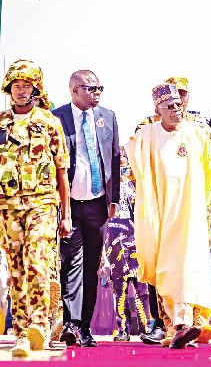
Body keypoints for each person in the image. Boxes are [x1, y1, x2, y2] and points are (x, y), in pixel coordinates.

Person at [126, 83, 211, 349]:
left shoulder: (197, 133)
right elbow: (133, 166)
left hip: (190, 214)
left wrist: (210, 210)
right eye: (169, 107)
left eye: (179, 106)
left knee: (188, 267)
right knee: (164, 267)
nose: (176, 110)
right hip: (160, 212)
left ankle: (183, 323)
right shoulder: (146, 135)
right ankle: (173, 326)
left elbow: (210, 173)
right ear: (157, 109)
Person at [0, 60, 72, 356]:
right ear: (9, 88)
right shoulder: (1, 122)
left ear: (35, 89)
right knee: (16, 269)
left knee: (37, 260)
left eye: (26, 85)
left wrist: (65, 215)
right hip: (8, 206)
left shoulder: (49, 122)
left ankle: (39, 324)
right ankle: (20, 332)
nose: (20, 90)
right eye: (16, 85)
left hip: (42, 203)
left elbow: (61, 171)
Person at [53, 70, 120, 348]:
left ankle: (85, 327)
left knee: (92, 265)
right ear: (73, 91)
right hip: (69, 204)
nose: (96, 93)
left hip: (97, 204)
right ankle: (70, 324)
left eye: (99, 88)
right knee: (71, 265)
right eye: (90, 89)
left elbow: (114, 158)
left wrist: (113, 199)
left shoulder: (108, 117)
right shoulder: (56, 118)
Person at [103, 149, 150, 341]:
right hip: (113, 236)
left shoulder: (136, 186)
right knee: (120, 285)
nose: (122, 166)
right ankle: (122, 329)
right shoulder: (107, 188)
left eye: (125, 162)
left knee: (141, 284)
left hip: (134, 235)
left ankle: (146, 326)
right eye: (119, 163)